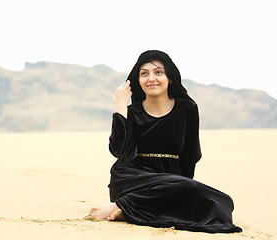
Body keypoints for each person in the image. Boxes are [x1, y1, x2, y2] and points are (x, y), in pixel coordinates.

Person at [88, 50, 242, 233]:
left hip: (170, 182)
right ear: (137, 81)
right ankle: (123, 206)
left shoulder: (188, 109)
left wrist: (183, 188)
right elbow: (121, 152)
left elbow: (191, 154)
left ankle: (130, 210)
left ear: (170, 78)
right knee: (188, 191)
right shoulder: (131, 112)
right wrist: (120, 108)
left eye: (158, 72)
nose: (151, 78)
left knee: (221, 201)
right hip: (132, 178)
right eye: (144, 73)